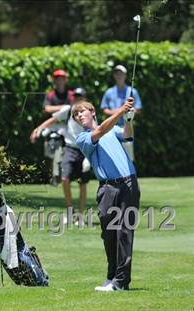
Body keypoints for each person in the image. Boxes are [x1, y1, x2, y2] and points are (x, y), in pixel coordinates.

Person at [72, 97, 140, 292]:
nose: (79, 116)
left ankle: (120, 282)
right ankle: (112, 277)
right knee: (109, 234)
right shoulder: (83, 138)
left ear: (92, 112)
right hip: (107, 189)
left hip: (128, 184)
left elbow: (127, 135)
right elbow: (100, 131)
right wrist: (120, 110)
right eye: (76, 115)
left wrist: (127, 119)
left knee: (124, 233)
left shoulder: (112, 130)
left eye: (81, 112)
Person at [31, 90, 90, 217]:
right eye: (75, 97)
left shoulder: (90, 113)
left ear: (85, 99)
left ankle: (80, 215)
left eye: (80, 97)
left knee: (83, 183)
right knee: (64, 179)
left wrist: (89, 156)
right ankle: (70, 212)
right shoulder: (68, 110)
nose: (77, 100)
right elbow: (52, 120)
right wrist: (38, 129)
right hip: (69, 148)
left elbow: (95, 132)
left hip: (85, 149)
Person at [101, 65, 142, 161]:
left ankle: (130, 174)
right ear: (114, 76)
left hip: (126, 125)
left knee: (128, 154)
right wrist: (115, 112)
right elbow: (104, 108)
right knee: (113, 153)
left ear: (125, 75)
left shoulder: (132, 91)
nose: (119, 75)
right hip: (111, 126)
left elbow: (138, 108)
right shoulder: (109, 92)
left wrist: (131, 113)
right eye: (117, 73)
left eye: (121, 73)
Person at [42, 69, 76, 185]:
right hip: (52, 126)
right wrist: (64, 108)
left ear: (65, 80)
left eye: (62, 78)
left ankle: (63, 176)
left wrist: (61, 108)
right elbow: (47, 108)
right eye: (57, 79)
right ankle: (52, 177)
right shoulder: (50, 95)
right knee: (49, 153)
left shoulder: (71, 94)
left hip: (66, 127)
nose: (59, 81)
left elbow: (74, 107)